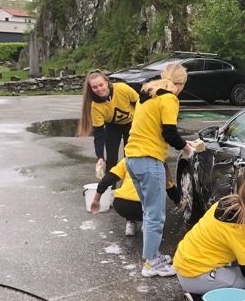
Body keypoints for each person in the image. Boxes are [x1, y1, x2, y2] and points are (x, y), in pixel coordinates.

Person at [124, 63, 193, 278]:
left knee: (148, 211)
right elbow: (169, 133)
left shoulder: (147, 94)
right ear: (181, 83)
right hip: (148, 159)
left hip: (132, 158)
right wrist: (187, 148)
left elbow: (153, 128)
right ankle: (152, 264)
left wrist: (183, 143)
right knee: (155, 215)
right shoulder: (169, 98)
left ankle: (152, 255)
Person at [90, 159, 181, 237]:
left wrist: (96, 200)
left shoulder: (127, 160)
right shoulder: (159, 162)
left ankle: (130, 223)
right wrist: (178, 202)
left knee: (126, 186)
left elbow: (107, 180)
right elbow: (169, 187)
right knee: (157, 194)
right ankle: (148, 224)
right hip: (145, 208)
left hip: (121, 205)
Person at [77, 70, 139, 174]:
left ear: (106, 82)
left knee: (130, 157)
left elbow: (141, 104)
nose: (99, 89)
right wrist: (100, 157)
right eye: (95, 87)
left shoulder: (122, 88)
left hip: (132, 123)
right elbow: (99, 134)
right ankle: (110, 183)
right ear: (91, 89)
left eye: (101, 85)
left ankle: (130, 182)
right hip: (113, 126)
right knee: (111, 159)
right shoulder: (95, 106)